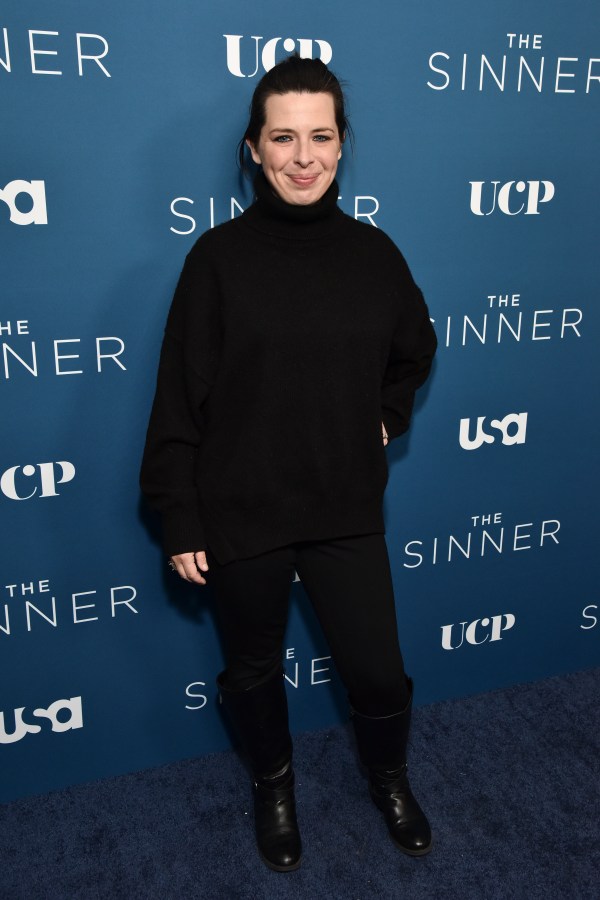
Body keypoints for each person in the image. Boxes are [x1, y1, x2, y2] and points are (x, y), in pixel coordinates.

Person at [140, 54, 437, 873]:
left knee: (379, 672)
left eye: (320, 136)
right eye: (283, 137)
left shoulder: (374, 256)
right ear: (253, 149)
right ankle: (273, 785)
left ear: (342, 147)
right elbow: (179, 399)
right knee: (251, 668)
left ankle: (390, 778)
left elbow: (415, 350)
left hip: (344, 506)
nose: (302, 156)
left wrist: (383, 415)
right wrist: (181, 513)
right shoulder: (217, 261)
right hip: (241, 509)